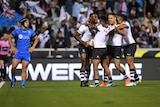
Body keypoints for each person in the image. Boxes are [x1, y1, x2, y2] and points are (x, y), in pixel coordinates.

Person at [100, 13, 130, 87]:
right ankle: (106, 81)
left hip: (117, 47)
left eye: (111, 18)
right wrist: (113, 30)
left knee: (117, 66)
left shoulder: (119, 26)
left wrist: (116, 30)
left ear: (115, 18)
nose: (109, 20)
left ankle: (127, 77)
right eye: (109, 18)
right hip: (109, 46)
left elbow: (124, 33)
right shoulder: (108, 27)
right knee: (106, 65)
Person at [8, 18, 39, 88]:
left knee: (24, 68)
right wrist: (12, 47)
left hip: (26, 53)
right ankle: (13, 79)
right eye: (26, 22)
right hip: (18, 52)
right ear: (23, 23)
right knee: (13, 67)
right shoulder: (17, 31)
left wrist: (33, 47)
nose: (28, 23)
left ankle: (23, 84)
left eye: (28, 22)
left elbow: (36, 38)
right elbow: (10, 37)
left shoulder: (30, 32)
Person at [88, 16, 115, 87]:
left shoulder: (101, 28)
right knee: (105, 66)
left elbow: (91, 26)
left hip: (98, 49)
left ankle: (96, 83)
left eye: (100, 22)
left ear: (102, 22)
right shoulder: (109, 28)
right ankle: (111, 81)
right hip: (104, 48)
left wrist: (89, 21)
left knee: (95, 66)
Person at [116, 13, 141, 86]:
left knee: (130, 62)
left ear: (121, 19)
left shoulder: (125, 23)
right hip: (125, 46)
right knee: (130, 62)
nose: (116, 19)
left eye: (117, 18)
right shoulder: (118, 25)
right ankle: (136, 78)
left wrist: (116, 28)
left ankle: (132, 80)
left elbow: (124, 27)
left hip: (131, 44)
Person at [74, 13, 98, 87]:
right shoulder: (84, 26)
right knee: (84, 62)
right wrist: (83, 43)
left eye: (96, 16)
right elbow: (76, 36)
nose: (96, 18)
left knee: (89, 64)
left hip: (91, 47)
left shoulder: (98, 27)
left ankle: (86, 80)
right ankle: (82, 81)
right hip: (83, 46)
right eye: (94, 17)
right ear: (90, 18)